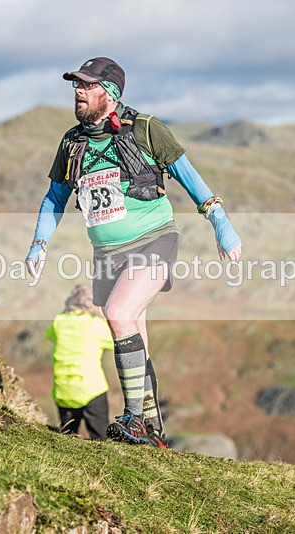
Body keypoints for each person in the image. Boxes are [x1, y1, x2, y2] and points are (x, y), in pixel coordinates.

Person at [25, 57, 242, 448]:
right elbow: (54, 198)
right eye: (75, 84)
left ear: (109, 93)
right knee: (133, 333)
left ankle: (133, 420)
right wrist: (39, 244)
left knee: (118, 314)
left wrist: (219, 222)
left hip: (153, 241)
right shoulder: (72, 143)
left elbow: (189, 176)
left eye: (86, 85)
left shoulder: (145, 129)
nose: (77, 91)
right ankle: (154, 432)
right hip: (107, 254)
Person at [47, 284, 113, 440]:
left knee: (66, 438)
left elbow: (50, 335)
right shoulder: (96, 325)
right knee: (102, 439)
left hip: (63, 390)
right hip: (91, 389)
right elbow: (113, 341)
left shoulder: (59, 321)